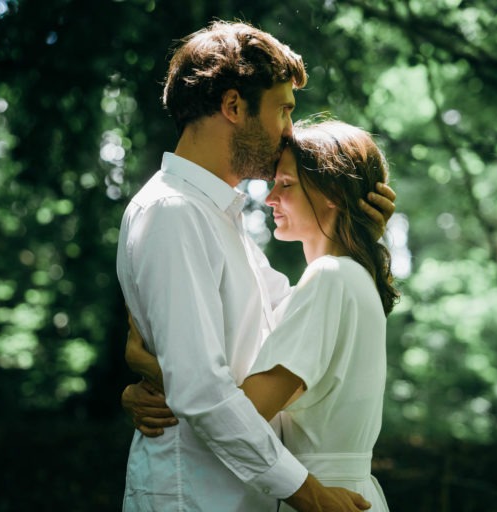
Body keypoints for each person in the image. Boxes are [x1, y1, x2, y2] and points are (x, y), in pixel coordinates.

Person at [116, 20, 396, 512]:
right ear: (233, 106)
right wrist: (310, 495)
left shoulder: (220, 221)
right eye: (283, 110)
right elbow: (202, 391)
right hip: (196, 497)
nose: (290, 129)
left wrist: (355, 234)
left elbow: (304, 328)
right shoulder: (173, 213)